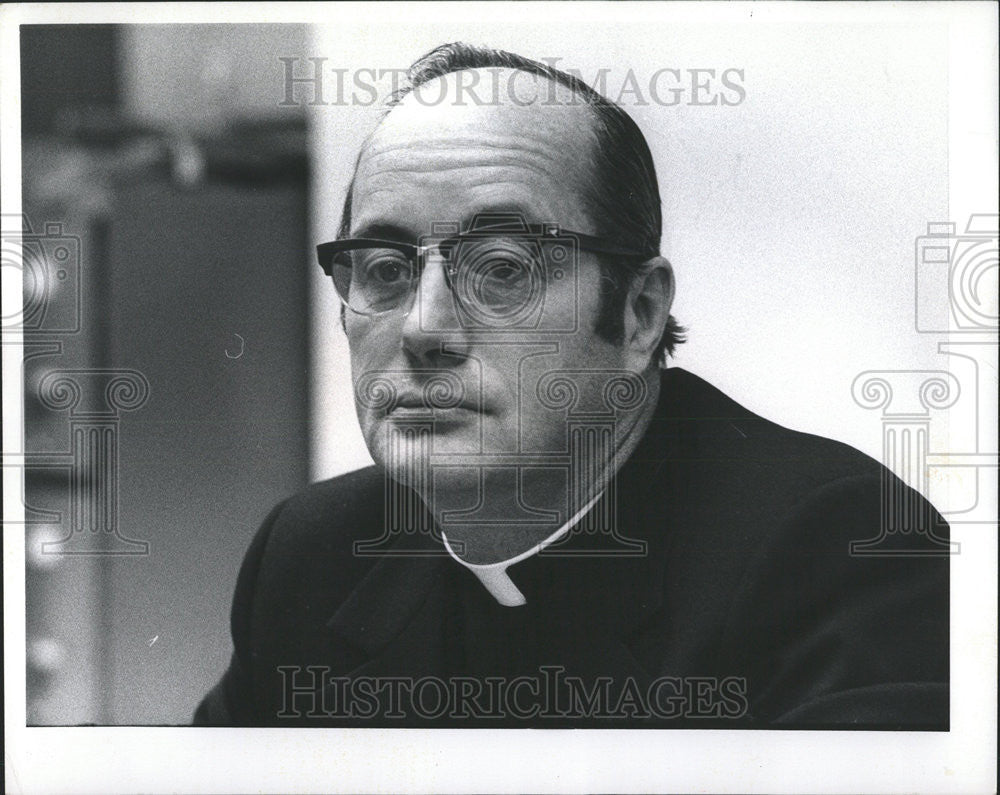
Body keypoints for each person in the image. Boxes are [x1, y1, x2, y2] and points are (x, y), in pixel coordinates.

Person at [194, 43, 949, 727]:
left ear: (638, 313)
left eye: (501, 269)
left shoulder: (838, 552)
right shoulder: (312, 553)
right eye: (386, 271)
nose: (424, 328)